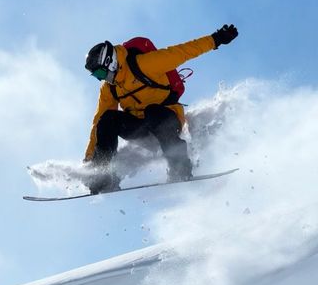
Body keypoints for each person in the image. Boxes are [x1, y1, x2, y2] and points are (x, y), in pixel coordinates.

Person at [83, 24, 238, 194]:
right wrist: (90, 158)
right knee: (107, 119)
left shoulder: (144, 64)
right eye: (97, 76)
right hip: (140, 128)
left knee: (153, 111)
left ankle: (180, 169)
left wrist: (216, 39)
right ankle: (102, 177)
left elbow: (183, 51)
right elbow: (98, 123)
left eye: (100, 73)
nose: (101, 79)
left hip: (166, 119)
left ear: (110, 62)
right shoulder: (109, 87)